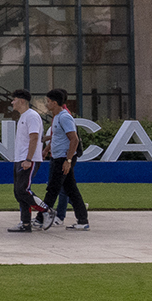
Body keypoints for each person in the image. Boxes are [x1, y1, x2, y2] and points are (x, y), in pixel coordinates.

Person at [42, 88, 90, 231]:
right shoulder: (56, 117)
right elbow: (58, 137)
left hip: (63, 159)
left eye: (48, 102)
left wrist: (68, 161)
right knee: (71, 190)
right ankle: (82, 220)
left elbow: (73, 139)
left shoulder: (64, 117)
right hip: (58, 157)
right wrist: (47, 149)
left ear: (55, 103)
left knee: (53, 189)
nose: (47, 104)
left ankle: (41, 217)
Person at [4, 89, 45, 233]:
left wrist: (28, 159)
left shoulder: (32, 116)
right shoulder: (23, 116)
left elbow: (34, 138)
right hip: (20, 159)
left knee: (23, 190)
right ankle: (25, 223)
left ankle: (46, 211)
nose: (12, 102)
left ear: (22, 101)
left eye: (14, 99)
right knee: (18, 192)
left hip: (28, 159)